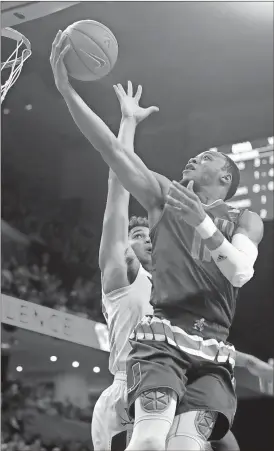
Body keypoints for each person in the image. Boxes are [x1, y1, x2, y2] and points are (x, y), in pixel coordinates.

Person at [50, 32, 264, 450]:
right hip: (163, 336)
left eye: (205, 157)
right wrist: (66, 89)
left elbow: (240, 272)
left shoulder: (246, 218)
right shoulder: (164, 196)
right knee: (148, 443)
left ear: (225, 177)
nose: (193, 159)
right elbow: (112, 152)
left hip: (212, 347)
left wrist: (202, 221)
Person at [91, 83, 156, 450]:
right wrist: (128, 123)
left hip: (164, 386)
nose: (145, 237)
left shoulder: (170, 283)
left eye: (149, 233)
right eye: (137, 233)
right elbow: (119, 182)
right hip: (124, 393)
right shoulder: (122, 272)